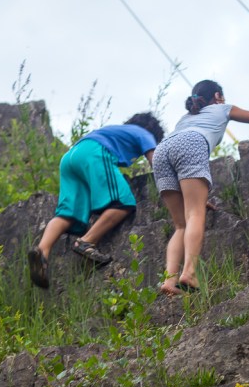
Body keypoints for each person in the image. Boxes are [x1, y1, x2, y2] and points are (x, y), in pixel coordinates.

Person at [152, 80, 249, 296]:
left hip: (162, 152)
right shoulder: (222, 108)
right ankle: (189, 273)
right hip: (191, 143)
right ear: (217, 96)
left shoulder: (186, 117)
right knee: (195, 214)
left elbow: (179, 163)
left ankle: (169, 281)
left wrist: (196, 195)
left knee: (180, 225)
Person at [27, 112, 164, 289]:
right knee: (123, 202)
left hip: (70, 157)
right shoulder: (144, 133)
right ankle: (87, 241)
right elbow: (156, 161)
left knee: (68, 214)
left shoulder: (116, 131)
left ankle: (42, 251)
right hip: (94, 153)